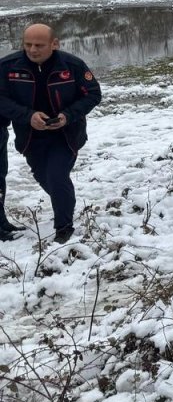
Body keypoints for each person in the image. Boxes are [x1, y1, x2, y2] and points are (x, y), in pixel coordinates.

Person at [0, 24, 103, 243]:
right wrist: (28, 116)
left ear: (54, 44)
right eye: (28, 45)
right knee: (44, 177)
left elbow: (93, 94)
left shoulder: (72, 65)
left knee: (57, 176)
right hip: (30, 136)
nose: (33, 50)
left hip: (65, 134)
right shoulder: (8, 67)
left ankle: (63, 229)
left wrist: (67, 116)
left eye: (39, 45)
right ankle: (64, 202)